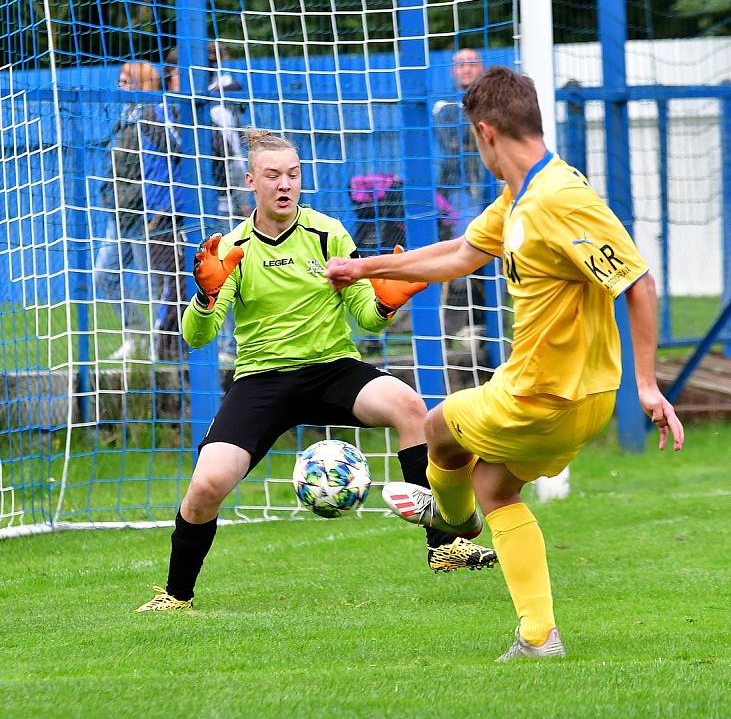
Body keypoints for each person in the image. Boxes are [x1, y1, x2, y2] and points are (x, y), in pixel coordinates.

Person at [326, 66, 685, 660]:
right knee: (494, 484)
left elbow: (638, 282)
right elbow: (464, 252)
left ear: (486, 132)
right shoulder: (519, 196)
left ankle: (449, 521)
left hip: (542, 395)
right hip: (576, 399)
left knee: (435, 425)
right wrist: (366, 268)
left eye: (472, 136)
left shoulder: (560, 198)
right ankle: (539, 637)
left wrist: (647, 385)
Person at [136, 129, 498, 612]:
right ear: (251, 182)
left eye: (293, 174)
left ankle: (445, 546)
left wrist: (387, 303)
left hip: (332, 370)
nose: (284, 184)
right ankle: (176, 594)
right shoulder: (231, 250)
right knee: (206, 486)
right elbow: (196, 337)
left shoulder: (328, 233)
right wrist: (205, 296)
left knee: (410, 406)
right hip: (262, 381)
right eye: (272, 175)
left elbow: (366, 316)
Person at [165, 44, 251, 363]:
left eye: (174, 73)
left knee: (223, 276)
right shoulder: (185, 109)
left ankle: (230, 347)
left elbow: (232, 158)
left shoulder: (215, 110)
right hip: (199, 205)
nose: (170, 79)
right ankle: (217, 345)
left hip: (220, 204)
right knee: (207, 277)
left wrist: (243, 200)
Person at [95, 61, 185, 361]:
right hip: (120, 213)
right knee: (104, 275)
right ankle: (135, 336)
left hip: (146, 213)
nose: (120, 87)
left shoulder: (155, 114)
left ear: (142, 84)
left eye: (125, 81)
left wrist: (160, 208)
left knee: (156, 284)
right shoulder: (126, 115)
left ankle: (168, 344)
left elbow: (172, 160)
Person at [433, 48, 487, 342]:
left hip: (486, 191)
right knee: (462, 250)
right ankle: (458, 322)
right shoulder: (445, 108)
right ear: (453, 71)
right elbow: (457, 146)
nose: (466, 70)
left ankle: (483, 320)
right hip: (457, 194)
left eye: (471, 64)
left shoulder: (492, 104)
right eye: (460, 65)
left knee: (485, 256)